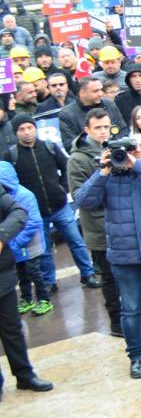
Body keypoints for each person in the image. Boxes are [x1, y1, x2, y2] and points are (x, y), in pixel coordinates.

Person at [75, 133, 141, 379]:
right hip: (124, 256)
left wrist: (137, 165)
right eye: (130, 150)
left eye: (139, 148)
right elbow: (84, 201)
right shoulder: (107, 177)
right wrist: (103, 170)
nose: (133, 153)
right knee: (131, 309)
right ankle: (136, 358)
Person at [5, 115, 99, 291]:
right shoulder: (11, 155)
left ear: (35, 128)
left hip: (60, 206)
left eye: (29, 127)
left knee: (76, 241)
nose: (27, 132)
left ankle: (88, 274)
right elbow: (9, 183)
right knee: (44, 250)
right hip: (35, 212)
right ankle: (50, 282)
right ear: (16, 133)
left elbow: (66, 167)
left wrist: (62, 188)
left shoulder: (49, 146)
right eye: (22, 129)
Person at [69, 109, 123, 334]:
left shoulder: (117, 148)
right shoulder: (78, 158)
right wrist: (102, 172)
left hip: (123, 223)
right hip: (99, 228)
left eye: (106, 127)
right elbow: (80, 197)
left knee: (136, 271)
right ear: (87, 130)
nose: (103, 132)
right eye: (98, 128)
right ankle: (117, 323)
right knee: (110, 279)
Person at [0, 165, 44, 400]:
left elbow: (18, 212)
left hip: (2, 276)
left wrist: (1, 236)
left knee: (12, 329)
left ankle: (25, 376)